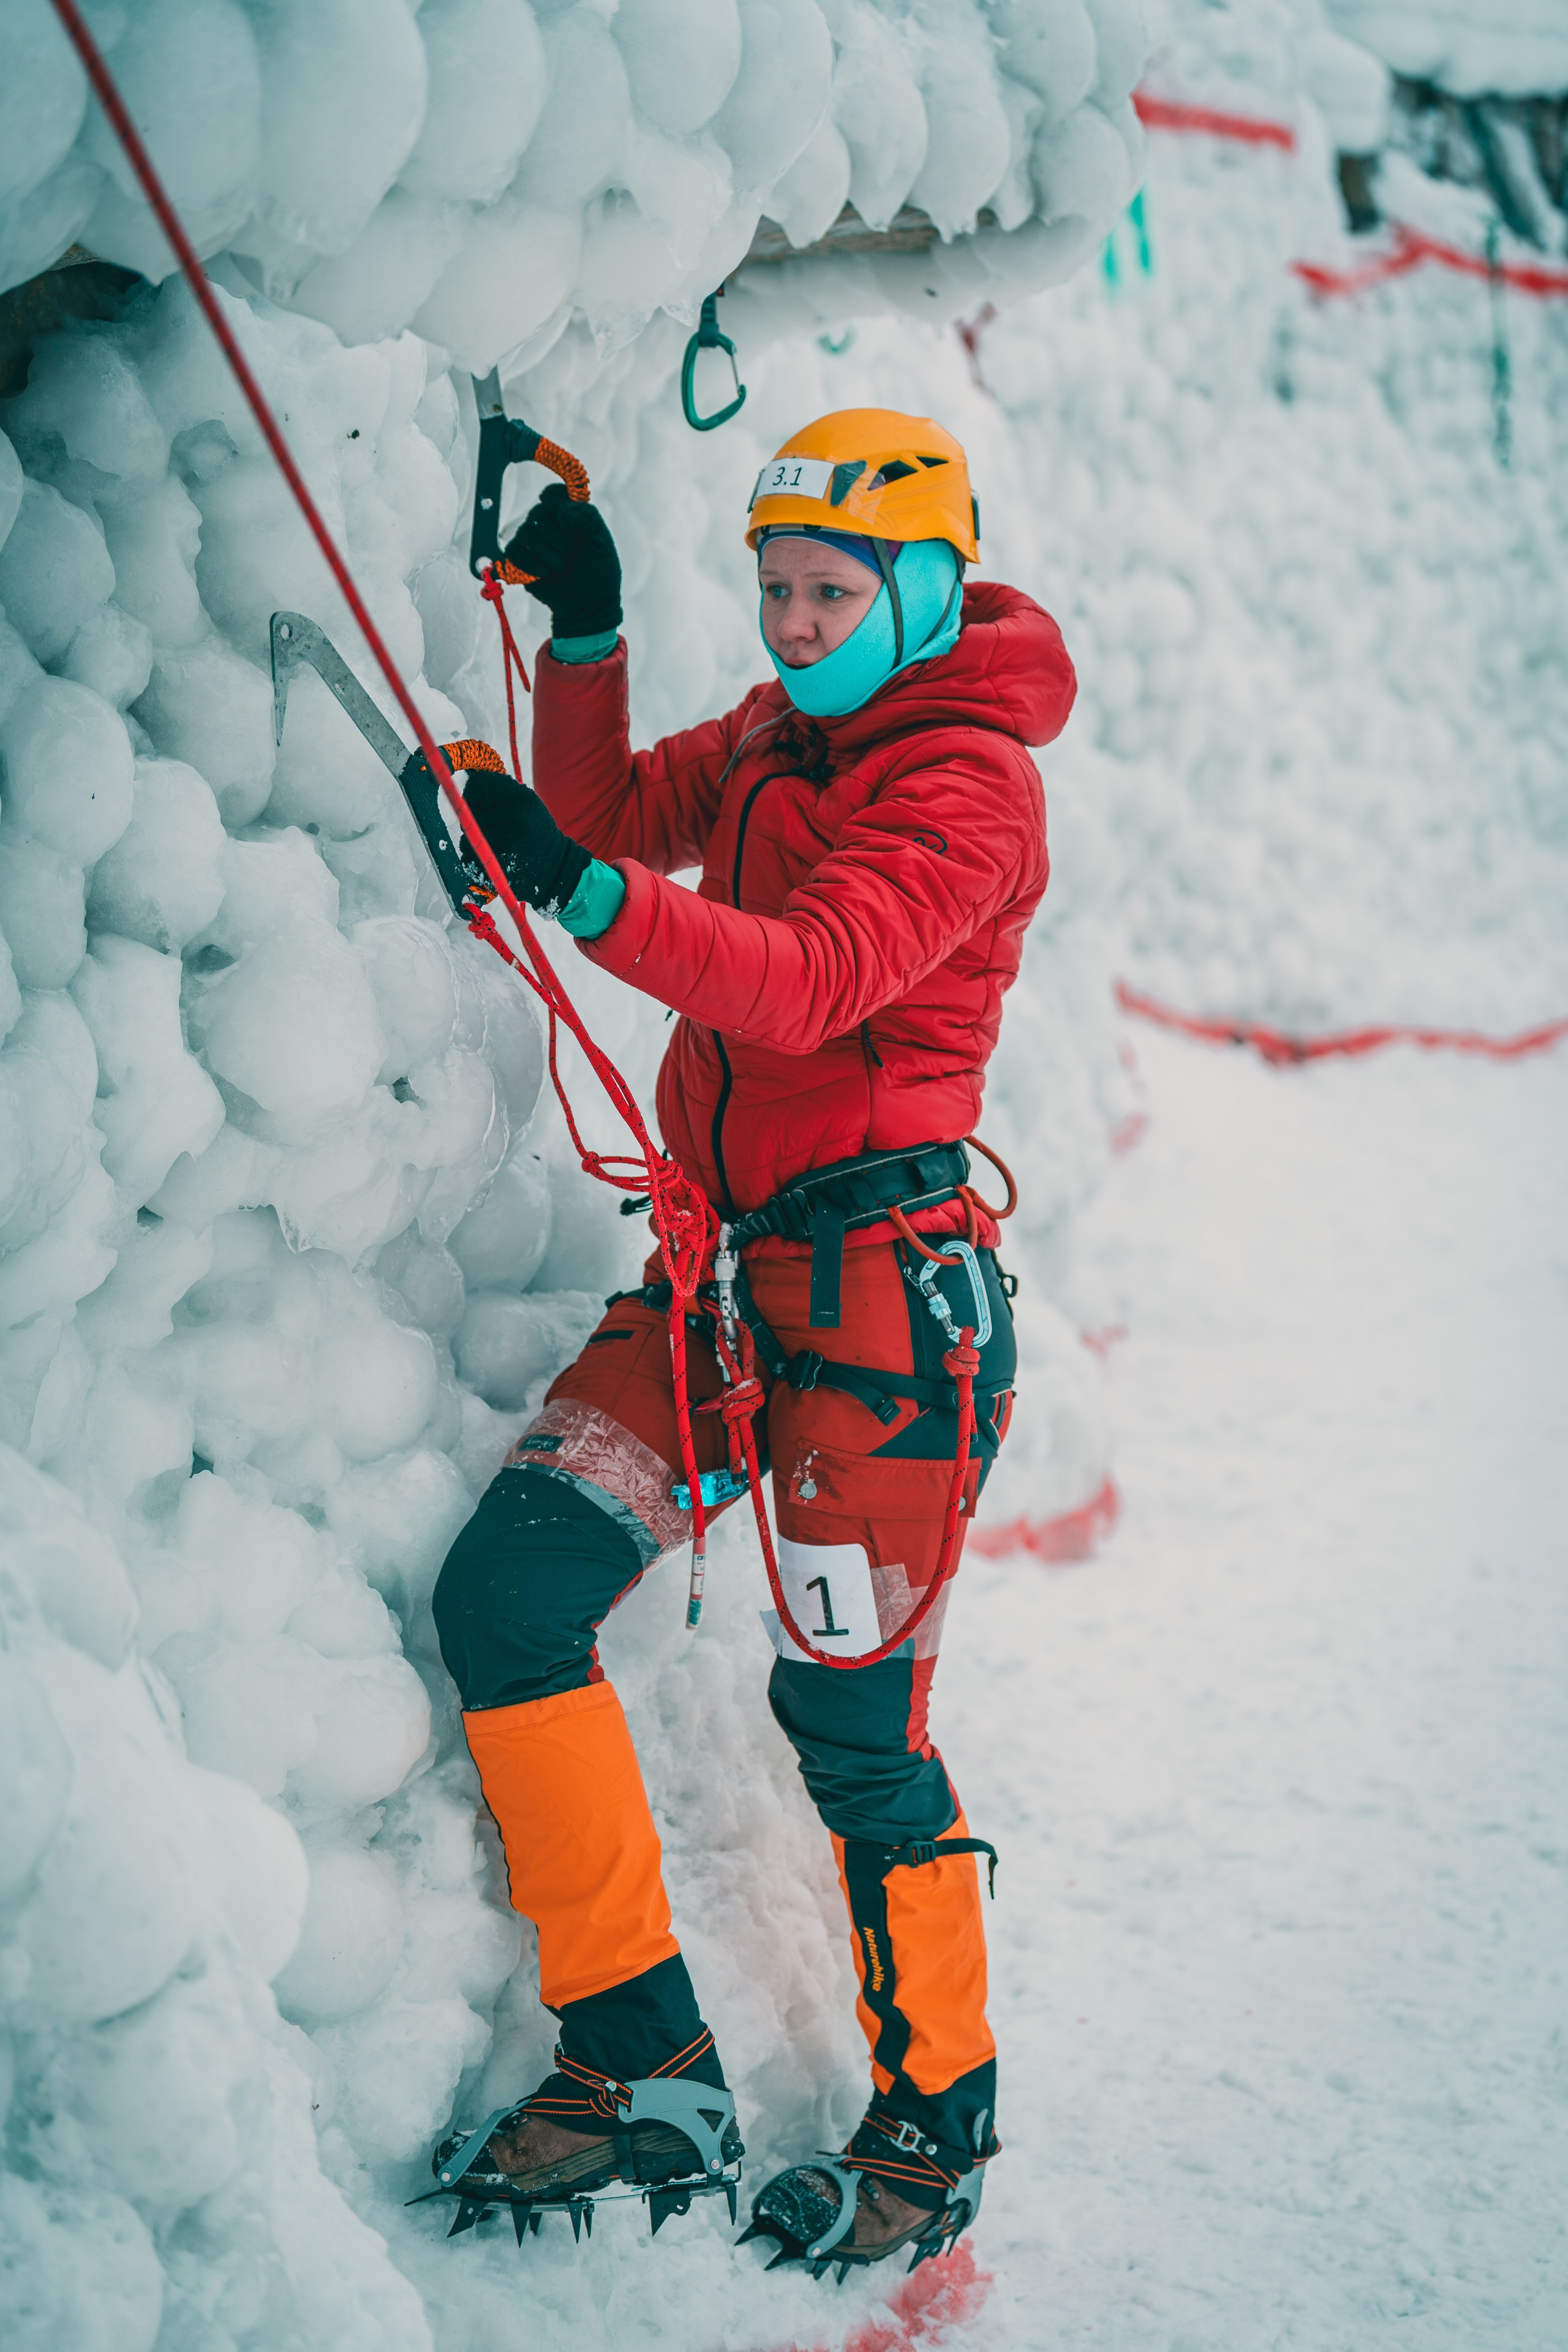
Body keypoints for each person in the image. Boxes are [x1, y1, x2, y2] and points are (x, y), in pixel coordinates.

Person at [428, 409, 1076, 2273]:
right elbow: (624, 817)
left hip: (883, 1330)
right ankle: (644, 2065)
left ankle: (937, 2116)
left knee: (853, 1730)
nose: (791, 624)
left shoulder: (969, 787)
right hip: (714, 1296)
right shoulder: (795, 730)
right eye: (773, 589)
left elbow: (802, 983)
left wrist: (572, 887)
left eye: (830, 592)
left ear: (926, 588)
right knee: (514, 1596)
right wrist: (589, 638)